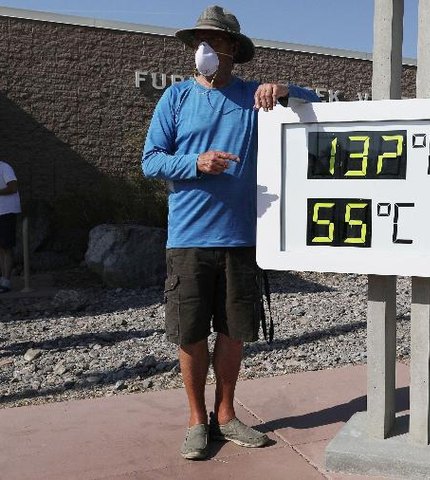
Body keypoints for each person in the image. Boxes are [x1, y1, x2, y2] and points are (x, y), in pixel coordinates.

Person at [141, 5, 319, 460]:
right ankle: (196, 421)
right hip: (188, 237)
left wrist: (287, 90)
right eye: (198, 42)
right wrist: (194, 163)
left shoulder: (256, 98)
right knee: (191, 332)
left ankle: (226, 414)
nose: (204, 49)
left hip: (242, 237)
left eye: (215, 42)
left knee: (235, 332)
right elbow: (151, 161)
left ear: (234, 51)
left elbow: (319, 108)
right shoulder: (176, 98)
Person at [0, 160, 21, 294]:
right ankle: (2, 278)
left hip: (7, 212)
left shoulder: (5, 167)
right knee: (0, 247)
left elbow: (13, 187)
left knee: (6, 246)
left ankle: (6, 281)